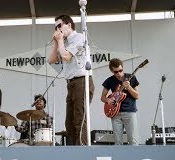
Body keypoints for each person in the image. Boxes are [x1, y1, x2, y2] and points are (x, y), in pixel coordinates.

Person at [48, 15, 95, 145]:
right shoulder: (65, 42)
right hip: (71, 83)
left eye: (59, 25)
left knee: (80, 119)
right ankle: (73, 150)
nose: (58, 29)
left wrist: (60, 40)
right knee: (69, 122)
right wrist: (57, 41)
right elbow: (51, 60)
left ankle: (82, 150)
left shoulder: (79, 38)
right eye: (56, 27)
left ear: (68, 25)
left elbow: (65, 56)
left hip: (82, 81)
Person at [100, 58, 139, 145]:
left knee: (133, 141)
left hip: (129, 112)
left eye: (120, 70)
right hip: (115, 113)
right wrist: (108, 100)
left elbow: (137, 96)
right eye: (116, 72)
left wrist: (129, 87)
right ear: (111, 71)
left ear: (122, 68)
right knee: (118, 142)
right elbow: (102, 97)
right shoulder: (109, 80)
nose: (119, 74)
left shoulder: (131, 77)